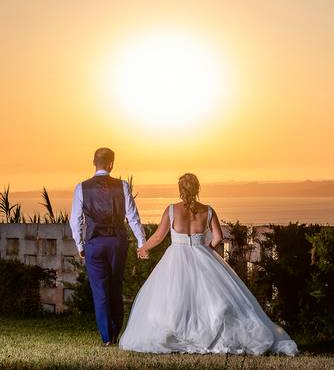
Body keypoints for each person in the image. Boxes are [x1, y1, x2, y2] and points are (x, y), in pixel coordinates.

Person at [119, 173, 298, 355]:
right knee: (208, 298)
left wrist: (144, 248)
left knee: (175, 297)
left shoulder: (172, 210)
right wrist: (206, 248)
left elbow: (158, 236)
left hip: (176, 258)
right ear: (197, 189)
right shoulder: (208, 210)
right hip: (202, 255)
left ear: (180, 190)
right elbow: (218, 237)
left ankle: (179, 333)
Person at [70, 147, 146, 346]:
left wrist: (80, 245)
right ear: (111, 164)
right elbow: (133, 217)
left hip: (93, 244)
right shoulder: (122, 186)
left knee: (100, 292)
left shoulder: (81, 187)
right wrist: (141, 242)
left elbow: (74, 220)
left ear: (94, 162)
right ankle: (116, 332)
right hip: (117, 243)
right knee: (115, 287)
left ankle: (107, 337)